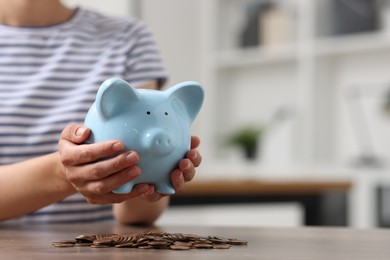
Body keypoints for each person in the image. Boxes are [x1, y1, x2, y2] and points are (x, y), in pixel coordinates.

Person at [0, 0, 202, 225]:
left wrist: (155, 172)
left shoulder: (128, 37)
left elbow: (138, 214)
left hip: (101, 248)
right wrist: (64, 171)